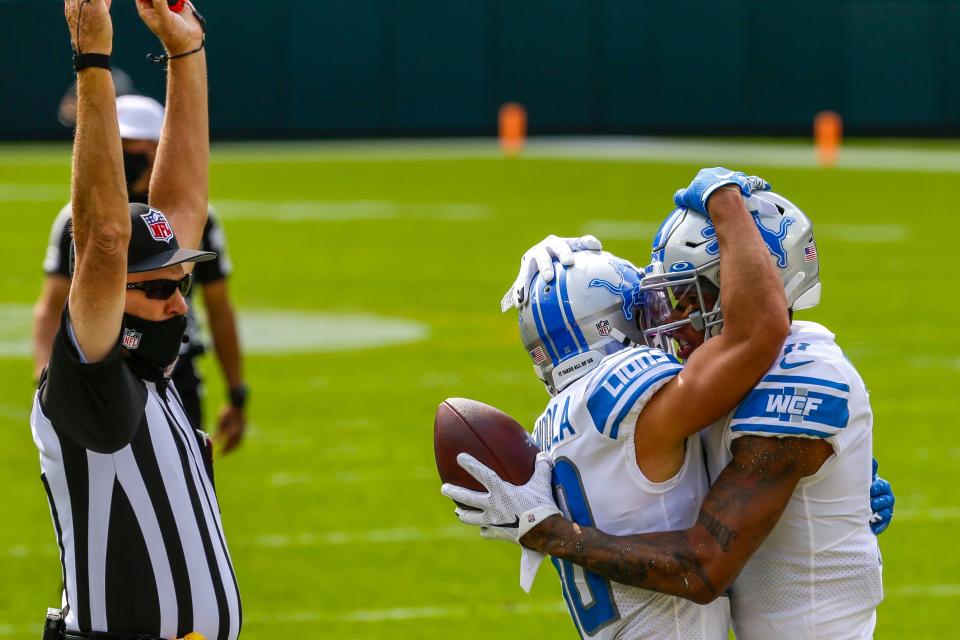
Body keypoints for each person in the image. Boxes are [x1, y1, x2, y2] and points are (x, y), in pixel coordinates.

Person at [443, 169, 893, 639]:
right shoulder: (688, 391)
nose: (669, 319)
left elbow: (704, 561)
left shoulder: (802, 370)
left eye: (686, 296)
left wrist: (837, 486)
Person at [32, 1, 241, 638]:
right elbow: (103, 240)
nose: (179, 304)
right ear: (105, 297)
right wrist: (93, 58)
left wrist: (186, 54)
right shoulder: (92, 374)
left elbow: (180, 210)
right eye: (154, 291)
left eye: (180, 284)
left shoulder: (148, 364)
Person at [34, 94, 249, 453]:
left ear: (158, 149)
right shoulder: (77, 221)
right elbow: (51, 306)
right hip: (102, 370)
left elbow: (219, 307)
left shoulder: (200, 221)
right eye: (118, 147)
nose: (125, 157)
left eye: (134, 147)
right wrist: (47, 380)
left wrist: (237, 391)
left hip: (177, 367)